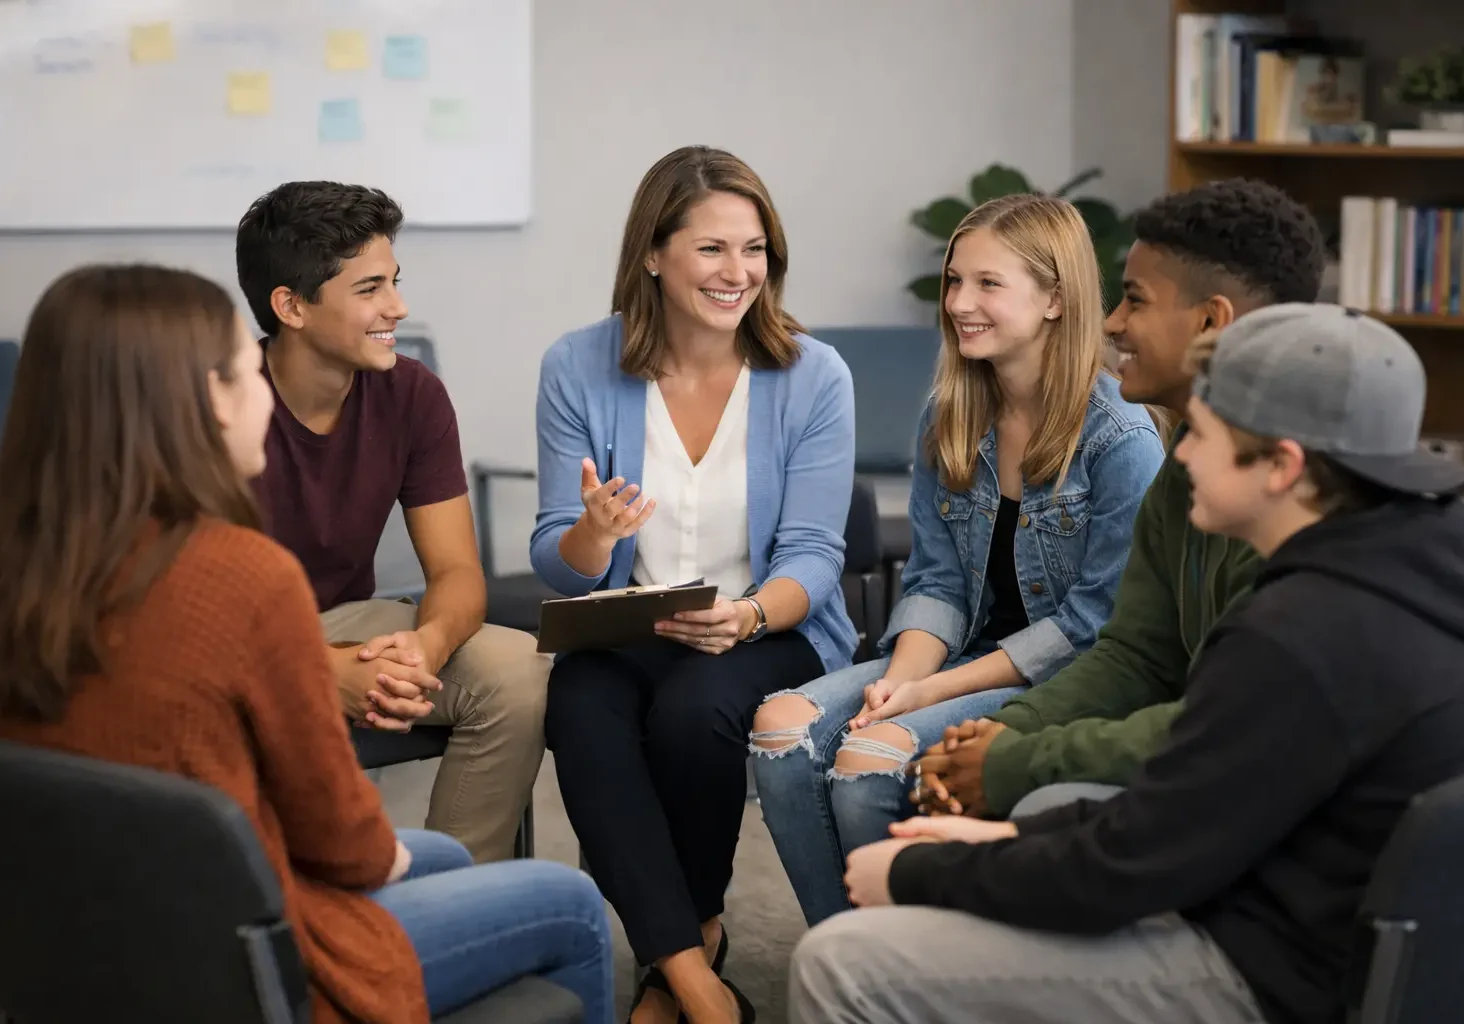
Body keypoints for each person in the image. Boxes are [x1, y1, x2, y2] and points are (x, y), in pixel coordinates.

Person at [790, 303, 1464, 1024]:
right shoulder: (1408, 562)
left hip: (1270, 973)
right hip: (1325, 919)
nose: (1180, 456)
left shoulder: (1296, 636)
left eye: (1201, 434)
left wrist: (919, 872)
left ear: (1281, 466)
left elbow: (1138, 861)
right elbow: (1187, 804)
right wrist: (1011, 837)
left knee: (841, 961)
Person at [0, 265, 614, 1024]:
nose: (261, 392)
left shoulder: (30, 565)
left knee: (449, 860)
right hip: (252, 946)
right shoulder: (238, 575)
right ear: (175, 408)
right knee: (571, 902)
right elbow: (346, 845)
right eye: (237, 373)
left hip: (81, 943)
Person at [748, 193, 1164, 925]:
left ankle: (898, 970)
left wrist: (928, 695)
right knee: (782, 726)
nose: (959, 303)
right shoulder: (951, 415)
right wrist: (903, 681)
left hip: (1064, 678)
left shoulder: (1120, 441)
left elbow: (1089, 629)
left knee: (867, 761)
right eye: (953, 281)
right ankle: (842, 955)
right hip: (959, 652)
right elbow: (937, 580)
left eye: (987, 284)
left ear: (1055, 301)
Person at [533, 145, 856, 1024]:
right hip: (632, 626)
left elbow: (816, 556)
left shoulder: (812, 374)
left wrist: (747, 617)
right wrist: (594, 533)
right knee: (578, 705)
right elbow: (554, 560)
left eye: (754, 250)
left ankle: (691, 940)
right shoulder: (577, 364)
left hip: (768, 625)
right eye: (712, 249)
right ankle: (692, 975)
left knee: (696, 710)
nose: (737, 272)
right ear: (652, 253)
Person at [912, 178, 1326, 823]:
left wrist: (1012, 753)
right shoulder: (1187, 457)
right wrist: (1009, 729)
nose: (1110, 322)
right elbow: (1135, 653)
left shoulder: (1302, 511)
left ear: (1211, 322)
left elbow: (1228, 721)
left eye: (1134, 300)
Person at [236, 181, 550, 863]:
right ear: (290, 306)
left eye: (395, 282)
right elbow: (172, 615)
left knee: (520, 672)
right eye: (370, 288)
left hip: (348, 619)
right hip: (233, 640)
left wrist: (426, 650)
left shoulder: (411, 394)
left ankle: (451, 903)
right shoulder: (222, 399)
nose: (398, 308)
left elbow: (458, 572)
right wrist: (316, 670)